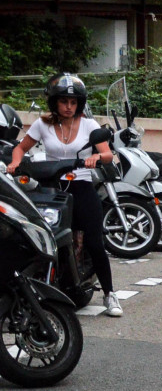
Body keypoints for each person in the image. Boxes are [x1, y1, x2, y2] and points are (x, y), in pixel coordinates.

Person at [6, 73, 121, 316]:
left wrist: (96, 157)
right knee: (36, 237)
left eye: (73, 102)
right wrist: (15, 163)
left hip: (80, 185)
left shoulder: (89, 125)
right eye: (63, 101)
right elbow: (20, 147)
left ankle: (111, 294)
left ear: (79, 103)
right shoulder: (42, 124)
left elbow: (109, 155)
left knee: (94, 241)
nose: (69, 107)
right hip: (50, 187)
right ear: (54, 102)